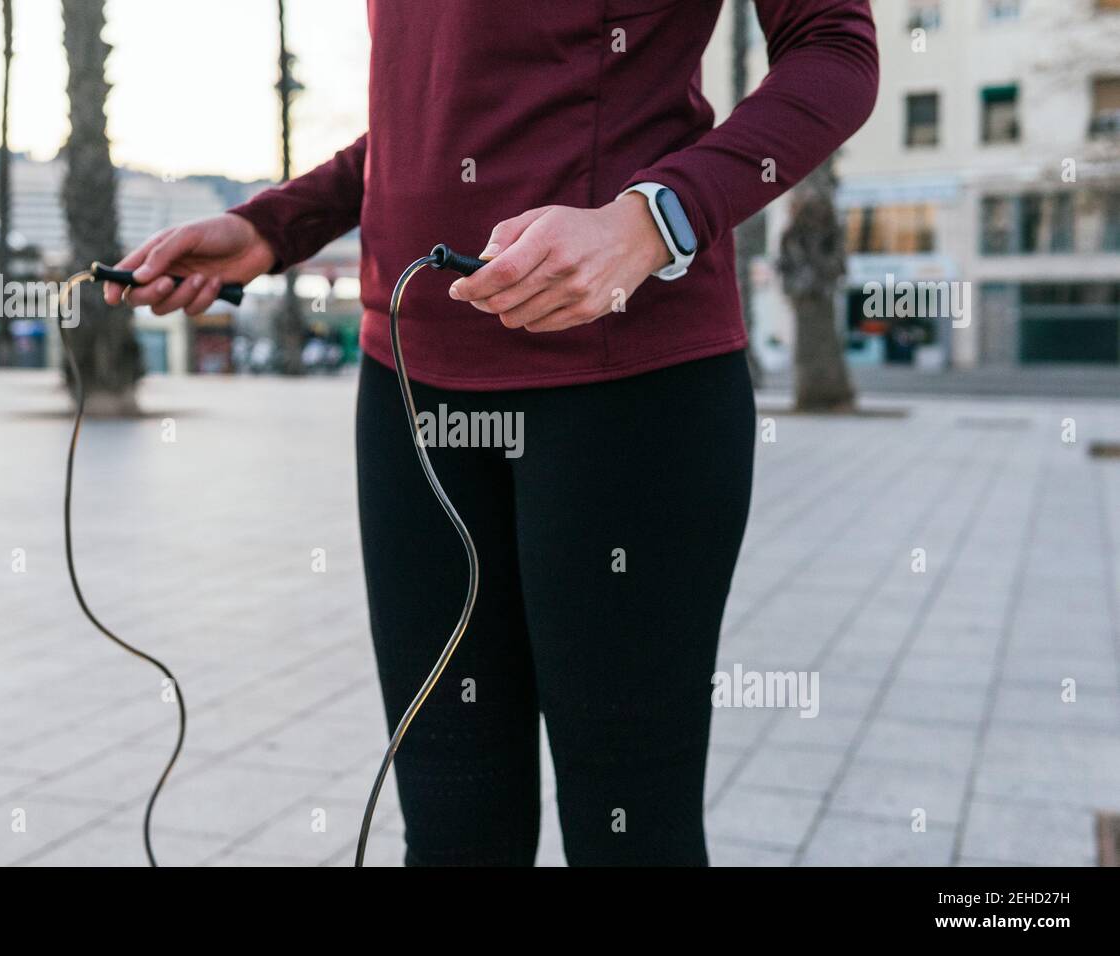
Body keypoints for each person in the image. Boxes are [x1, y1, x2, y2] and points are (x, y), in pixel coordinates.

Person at [104, 0, 879, 865]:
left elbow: (835, 49)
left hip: (627, 393)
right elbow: (436, 115)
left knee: (631, 830)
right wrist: (272, 226)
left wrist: (653, 219)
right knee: (450, 829)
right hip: (410, 389)